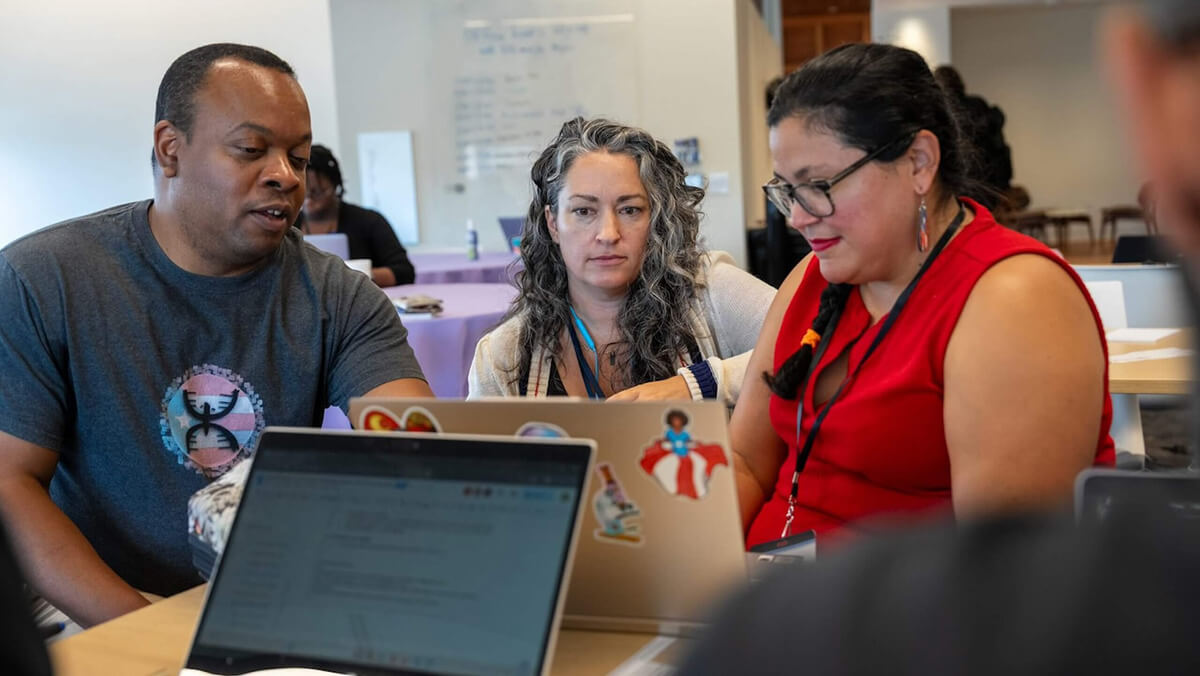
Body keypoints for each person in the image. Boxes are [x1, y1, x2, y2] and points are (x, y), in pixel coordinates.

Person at [0, 43, 433, 628]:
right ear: (170, 149)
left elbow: (420, 452)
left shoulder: (338, 294)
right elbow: (11, 482)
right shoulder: (43, 279)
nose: (284, 176)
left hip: (267, 596)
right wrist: (151, 631)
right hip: (95, 601)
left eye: (299, 158)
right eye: (252, 150)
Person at [732, 43, 1115, 550]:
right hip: (768, 594)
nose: (797, 217)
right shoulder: (813, 277)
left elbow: (1004, 568)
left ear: (918, 162)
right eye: (786, 191)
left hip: (903, 617)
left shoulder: (1012, 299)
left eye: (818, 185)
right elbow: (745, 462)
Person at [468, 117, 775, 404]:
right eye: (583, 211)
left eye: (630, 210)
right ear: (552, 224)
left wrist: (700, 384)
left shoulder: (710, 291)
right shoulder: (504, 355)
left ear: (656, 219)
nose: (608, 234)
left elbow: (816, 345)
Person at [297, 144, 416, 286]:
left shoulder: (369, 221)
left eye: (317, 192)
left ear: (336, 186)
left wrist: (358, 276)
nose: (309, 200)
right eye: (303, 193)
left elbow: (404, 272)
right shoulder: (287, 225)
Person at [933, 64, 1013, 209]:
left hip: (964, 187)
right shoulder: (980, 106)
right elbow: (1000, 149)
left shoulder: (946, 115)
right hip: (994, 186)